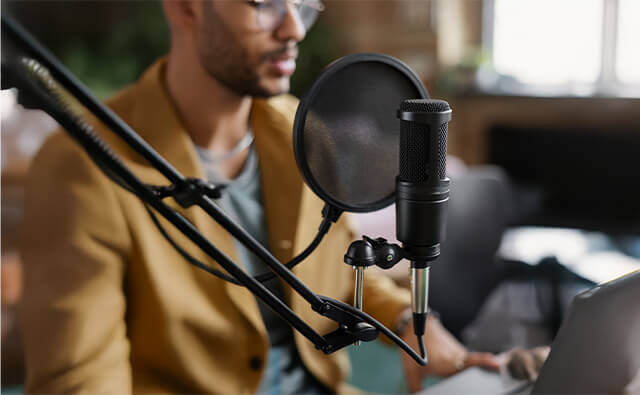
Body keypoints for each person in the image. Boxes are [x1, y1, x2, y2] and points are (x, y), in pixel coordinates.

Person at [19, 1, 501, 393]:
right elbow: (80, 384)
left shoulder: (304, 135)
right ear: (185, 8)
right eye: (265, 3)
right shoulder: (83, 166)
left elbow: (335, 273)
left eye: (304, 4)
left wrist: (411, 320)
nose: (294, 27)